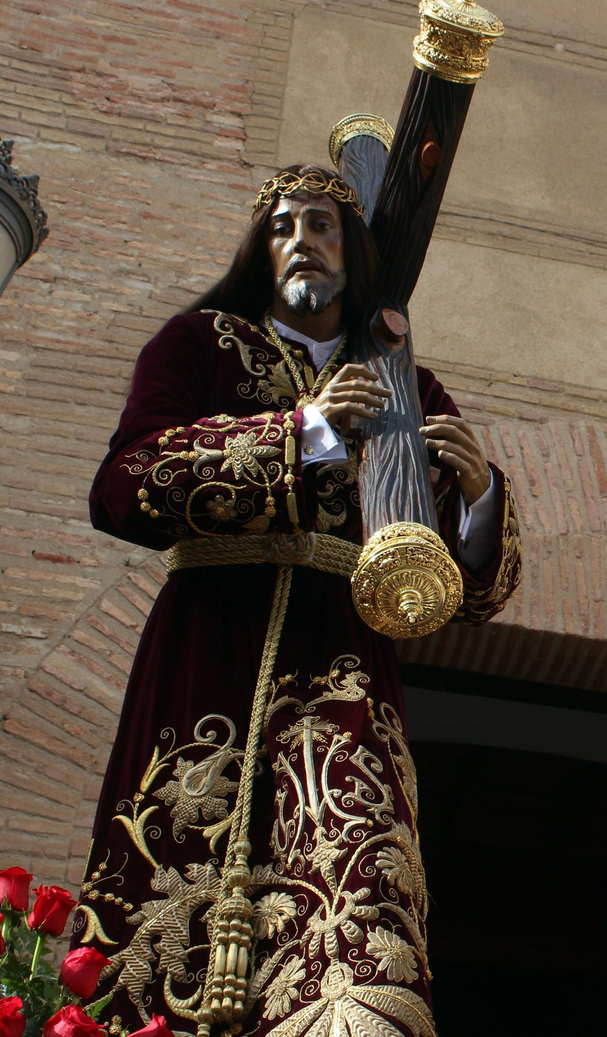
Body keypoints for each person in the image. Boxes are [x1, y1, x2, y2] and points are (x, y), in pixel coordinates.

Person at [72, 165, 520, 1037]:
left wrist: (479, 497)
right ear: (260, 250)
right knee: (171, 899)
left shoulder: (405, 381)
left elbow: (458, 594)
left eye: (321, 225)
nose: (302, 241)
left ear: (354, 253)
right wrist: (304, 432)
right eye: (283, 227)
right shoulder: (197, 344)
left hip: (344, 667)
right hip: (209, 651)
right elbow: (124, 483)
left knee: (359, 896)